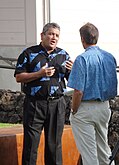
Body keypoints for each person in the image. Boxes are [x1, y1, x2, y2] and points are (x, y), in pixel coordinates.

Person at [14, 22, 73, 165]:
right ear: (42, 35)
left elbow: (71, 81)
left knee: (54, 146)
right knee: (31, 146)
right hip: (35, 104)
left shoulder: (63, 55)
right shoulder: (29, 53)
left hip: (57, 104)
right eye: (51, 34)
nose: (54, 38)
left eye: (57, 35)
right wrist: (39, 74)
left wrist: (73, 71)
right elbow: (19, 77)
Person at [67, 22, 117, 165]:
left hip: (85, 108)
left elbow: (78, 91)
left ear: (82, 39)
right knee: (104, 149)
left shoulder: (82, 59)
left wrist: (74, 110)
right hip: (104, 106)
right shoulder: (109, 57)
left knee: (89, 153)